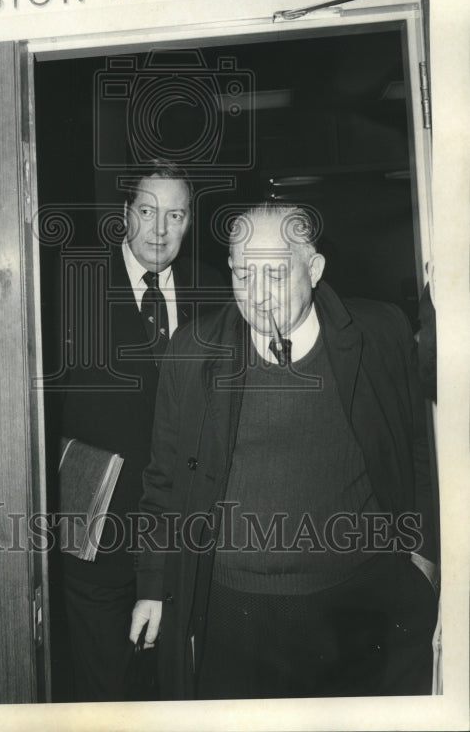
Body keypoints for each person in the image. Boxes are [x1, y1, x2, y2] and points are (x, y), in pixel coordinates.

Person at [130, 203, 439, 699]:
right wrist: (152, 586)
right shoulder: (192, 352)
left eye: (274, 273)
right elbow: (163, 480)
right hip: (234, 610)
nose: (256, 295)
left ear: (313, 270)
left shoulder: (382, 334)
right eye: (241, 273)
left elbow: (419, 451)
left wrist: (426, 558)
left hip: (357, 599)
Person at [57, 158, 222, 701]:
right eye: (147, 211)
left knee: (177, 686)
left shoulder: (215, 294)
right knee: (104, 688)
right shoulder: (70, 285)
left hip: (182, 534)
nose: (159, 229)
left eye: (174, 215)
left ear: (189, 222)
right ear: (126, 215)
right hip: (98, 528)